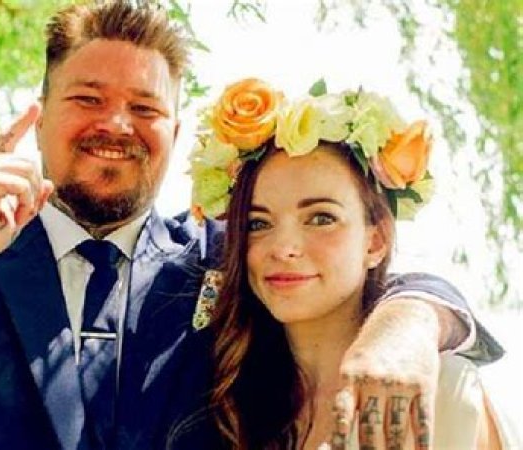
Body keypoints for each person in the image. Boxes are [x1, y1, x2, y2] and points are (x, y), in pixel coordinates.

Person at [0, 3, 503, 450]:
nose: (116, 124)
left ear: (173, 131)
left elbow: (344, 267)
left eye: (145, 107)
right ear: (39, 118)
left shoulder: (234, 262)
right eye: (88, 98)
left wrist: (412, 318)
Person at [169, 78, 519, 449]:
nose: (283, 248)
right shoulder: (225, 406)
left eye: (321, 218)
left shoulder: (439, 392)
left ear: (376, 240)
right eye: (258, 223)